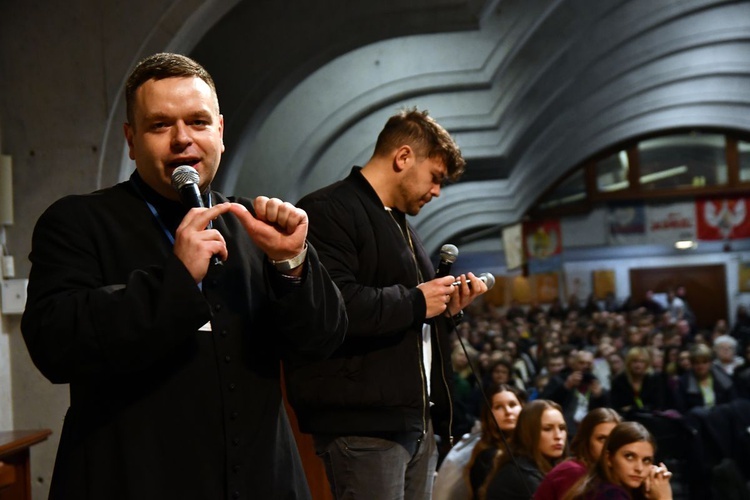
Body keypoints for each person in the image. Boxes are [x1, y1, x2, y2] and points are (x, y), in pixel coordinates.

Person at [20, 53, 348, 500]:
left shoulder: (254, 225)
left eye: (197, 121)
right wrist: (176, 279)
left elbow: (321, 342)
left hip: (260, 480)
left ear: (220, 132)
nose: (182, 139)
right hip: (135, 481)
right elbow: (53, 344)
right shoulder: (79, 222)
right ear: (131, 140)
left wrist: (292, 263)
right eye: (159, 125)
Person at [286, 108, 488, 499]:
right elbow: (334, 305)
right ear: (403, 157)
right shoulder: (328, 210)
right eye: (436, 177)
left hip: (412, 418)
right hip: (363, 422)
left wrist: (447, 309)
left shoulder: (402, 227)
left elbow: (412, 316)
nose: (437, 192)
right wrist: (416, 301)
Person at [481, 400, 568, 499]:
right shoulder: (522, 476)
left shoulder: (549, 465)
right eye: (547, 429)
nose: (558, 436)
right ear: (528, 433)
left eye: (562, 428)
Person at [563, 421, 673, 500]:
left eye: (646, 460)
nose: (639, 468)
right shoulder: (609, 494)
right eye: (629, 457)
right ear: (608, 458)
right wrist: (664, 497)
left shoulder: (599, 485)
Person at [534, 407, 622, 499]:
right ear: (587, 441)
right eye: (602, 439)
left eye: (613, 439)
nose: (608, 446)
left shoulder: (603, 474)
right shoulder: (574, 471)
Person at [463, 384, 526, 499]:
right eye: (499, 407)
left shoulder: (530, 446)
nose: (508, 411)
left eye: (512, 405)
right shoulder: (487, 456)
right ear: (489, 415)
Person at [673, 343, 736, 413]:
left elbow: (732, 403)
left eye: (704, 362)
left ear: (710, 362)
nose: (700, 366)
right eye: (696, 363)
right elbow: (682, 409)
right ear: (692, 364)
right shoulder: (684, 382)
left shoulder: (723, 378)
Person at [610, 347, 666, 415]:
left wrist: (632, 408)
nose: (638, 365)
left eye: (641, 361)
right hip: (626, 419)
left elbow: (657, 405)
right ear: (628, 363)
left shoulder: (654, 379)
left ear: (647, 364)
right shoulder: (619, 380)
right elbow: (616, 406)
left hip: (650, 418)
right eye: (634, 361)